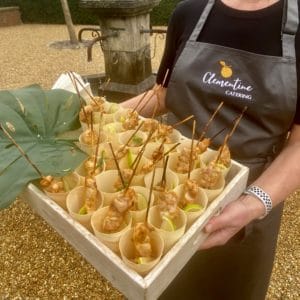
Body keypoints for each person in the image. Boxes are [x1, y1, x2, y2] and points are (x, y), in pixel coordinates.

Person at [122, 0, 300, 299]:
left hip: (250, 195)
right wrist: (102, 113)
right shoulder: (187, 13)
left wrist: (251, 205)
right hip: (166, 184)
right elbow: (163, 95)